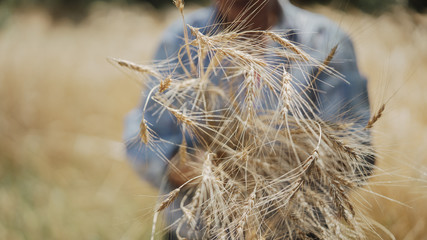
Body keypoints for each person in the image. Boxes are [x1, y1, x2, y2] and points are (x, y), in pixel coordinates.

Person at [124, 0, 373, 239]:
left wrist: (247, 173)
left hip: (297, 233)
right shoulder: (181, 38)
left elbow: (355, 154)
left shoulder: (325, 40)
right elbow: (143, 140)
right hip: (194, 234)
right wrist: (193, 169)